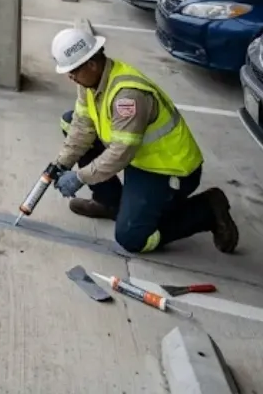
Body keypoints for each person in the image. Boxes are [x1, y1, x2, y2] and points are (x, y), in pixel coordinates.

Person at [50, 27, 238, 254]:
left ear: (91, 64)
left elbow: (121, 152)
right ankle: (109, 202)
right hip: (138, 158)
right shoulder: (90, 82)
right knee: (70, 121)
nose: (71, 78)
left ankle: (206, 208)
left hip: (168, 169)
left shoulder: (127, 96)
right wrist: (61, 164)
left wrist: (81, 176)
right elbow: (82, 126)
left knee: (132, 238)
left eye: (73, 71)